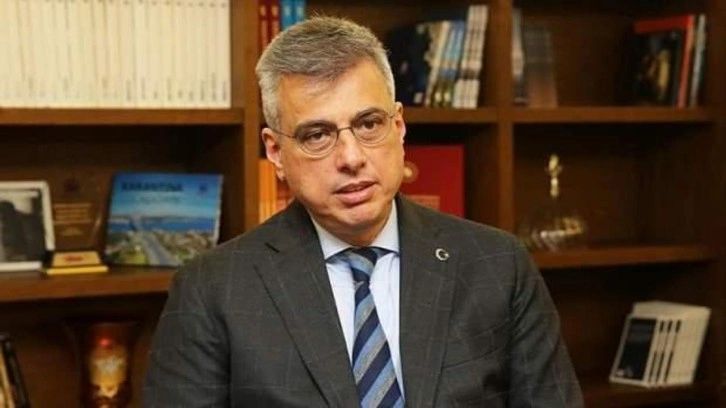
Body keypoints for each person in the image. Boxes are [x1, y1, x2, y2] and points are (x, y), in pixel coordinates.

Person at [143, 16, 583, 407]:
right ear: (276, 152)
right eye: (317, 135)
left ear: (399, 126)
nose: (351, 157)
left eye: (369, 124)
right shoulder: (212, 290)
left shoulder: (498, 265)